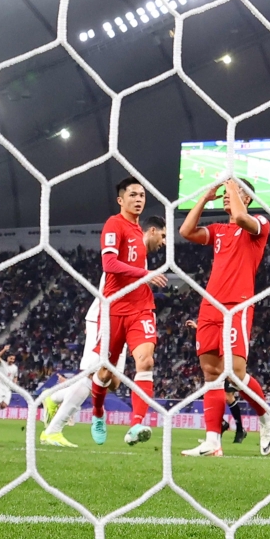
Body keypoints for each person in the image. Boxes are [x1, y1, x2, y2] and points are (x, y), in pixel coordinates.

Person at [179, 179, 270, 457]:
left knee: (234, 372)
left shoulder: (259, 223)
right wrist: (206, 197)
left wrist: (234, 186)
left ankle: (265, 417)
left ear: (247, 198)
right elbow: (186, 231)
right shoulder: (220, 231)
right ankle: (212, 442)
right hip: (210, 306)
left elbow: (243, 218)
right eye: (225, 193)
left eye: (233, 193)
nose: (226, 196)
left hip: (237, 306)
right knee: (211, 373)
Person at [90, 178, 167, 446]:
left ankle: (136, 425)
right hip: (114, 308)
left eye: (142, 195)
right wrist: (145, 273)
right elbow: (109, 263)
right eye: (133, 194)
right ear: (121, 200)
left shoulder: (139, 231)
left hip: (141, 309)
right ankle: (98, 413)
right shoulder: (114, 225)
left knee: (146, 361)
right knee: (105, 374)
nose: (139, 199)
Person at [41, 272, 131, 447]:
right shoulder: (123, 249)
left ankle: (55, 397)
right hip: (106, 318)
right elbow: (112, 270)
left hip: (125, 321)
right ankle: (53, 431)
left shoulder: (142, 257)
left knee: (113, 383)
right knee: (93, 377)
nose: (164, 242)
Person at [0, 346, 18, 425]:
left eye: (13, 359)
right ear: (7, 358)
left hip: (8, 389)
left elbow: (15, 376)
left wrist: (15, 383)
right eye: (11, 358)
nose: (12, 360)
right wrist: (4, 349)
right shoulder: (2, 363)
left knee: (4, 405)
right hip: (0, 386)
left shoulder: (15, 368)